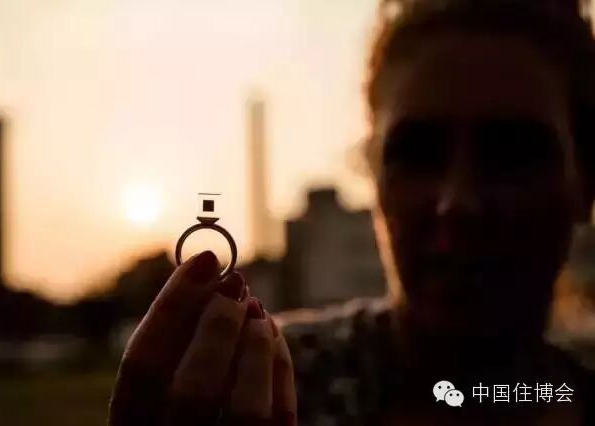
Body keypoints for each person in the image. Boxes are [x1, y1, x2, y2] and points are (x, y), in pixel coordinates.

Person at [108, 0, 595, 424]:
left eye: (512, 155)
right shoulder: (266, 385)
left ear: (586, 182)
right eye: (416, 155)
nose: (457, 202)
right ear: (372, 172)